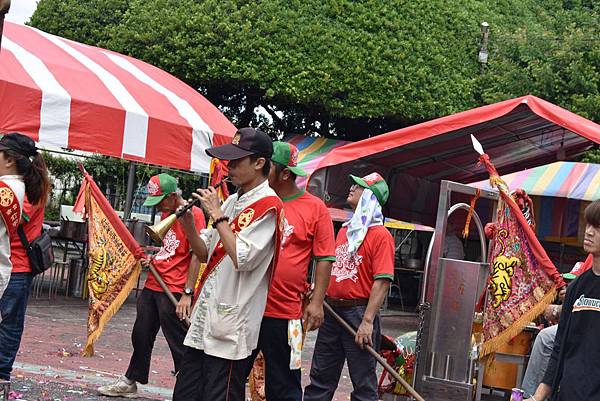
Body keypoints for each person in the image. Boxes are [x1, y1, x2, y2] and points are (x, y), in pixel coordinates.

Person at [173, 127, 283, 401]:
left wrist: (218, 215)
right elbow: (204, 252)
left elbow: (242, 258)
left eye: (236, 161)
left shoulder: (269, 206)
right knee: (185, 393)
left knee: (220, 395)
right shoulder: (234, 200)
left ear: (259, 163)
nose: (229, 167)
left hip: (232, 329)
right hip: (207, 319)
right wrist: (188, 225)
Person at [98, 173, 205, 398]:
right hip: (154, 283)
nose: (158, 208)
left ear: (173, 196)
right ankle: (130, 381)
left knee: (178, 340)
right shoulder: (167, 212)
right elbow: (171, 248)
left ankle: (189, 385)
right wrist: (154, 258)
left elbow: (197, 254)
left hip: (174, 288)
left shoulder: (193, 214)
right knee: (141, 334)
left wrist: (188, 293)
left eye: (160, 202)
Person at [250, 141, 335, 401]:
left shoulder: (315, 208)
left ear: (285, 173)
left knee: (285, 382)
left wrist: (317, 302)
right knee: (231, 373)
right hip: (247, 305)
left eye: (268, 167)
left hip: (286, 313)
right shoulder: (257, 200)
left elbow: (324, 258)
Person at [304, 172, 395, 401]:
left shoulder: (381, 236)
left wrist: (367, 321)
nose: (352, 188)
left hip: (358, 313)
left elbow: (382, 281)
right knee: (320, 377)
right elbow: (335, 268)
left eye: (360, 187)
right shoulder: (345, 230)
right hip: (332, 311)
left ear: (370, 198)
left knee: (363, 384)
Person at [526, 200, 600, 401]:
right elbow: (559, 347)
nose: (589, 232)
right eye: (589, 225)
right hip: (568, 393)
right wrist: (537, 397)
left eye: (598, 227)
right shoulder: (577, 287)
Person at [0, 132, 50, 381]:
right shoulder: (33, 189)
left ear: (9, 159)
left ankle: (1, 376)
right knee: (11, 325)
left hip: (13, 268)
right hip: (20, 269)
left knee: (8, 326)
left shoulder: (15, 193)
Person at [520, 257, 592, 397]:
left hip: (585, 330)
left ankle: (529, 395)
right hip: (574, 328)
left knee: (545, 338)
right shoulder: (574, 288)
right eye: (568, 281)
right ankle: (533, 395)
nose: (569, 284)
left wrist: (558, 310)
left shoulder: (587, 282)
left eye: (573, 281)